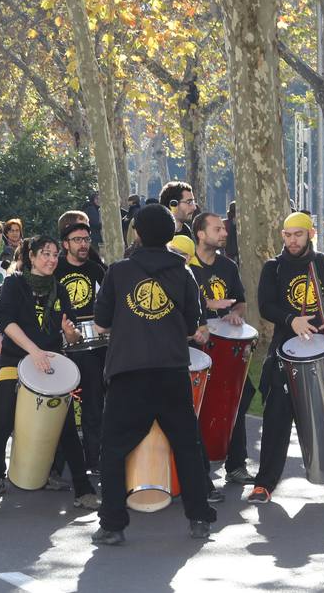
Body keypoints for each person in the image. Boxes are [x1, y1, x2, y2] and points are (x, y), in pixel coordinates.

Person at [87, 205, 214, 544]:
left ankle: (113, 525)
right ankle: (199, 518)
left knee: (113, 449)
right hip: (171, 370)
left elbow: (101, 322)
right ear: (171, 234)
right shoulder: (183, 272)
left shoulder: (119, 271)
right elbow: (191, 326)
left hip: (129, 371)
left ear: (138, 234)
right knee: (186, 446)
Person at [0, 235, 99, 516]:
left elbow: (73, 333)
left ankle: (84, 489)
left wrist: (69, 333)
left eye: (55, 255)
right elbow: (8, 324)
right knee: (1, 427)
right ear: (31, 256)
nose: (52, 259)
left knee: (65, 429)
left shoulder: (60, 289)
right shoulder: (14, 283)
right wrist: (33, 351)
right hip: (15, 362)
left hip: (50, 364)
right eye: (45, 254)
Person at [249, 212, 324, 504]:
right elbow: (265, 306)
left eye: (298, 235)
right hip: (283, 350)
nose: (292, 241)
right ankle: (264, 483)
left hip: (323, 350)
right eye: (287, 235)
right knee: (276, 416)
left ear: (311, 234)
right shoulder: (273, 268)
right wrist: (291, 320)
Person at [189, 212, 255, 484]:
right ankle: (198, 470)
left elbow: (240, 302)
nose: (224, 233)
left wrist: (236, 314)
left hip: (226, 348)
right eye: (217, 229)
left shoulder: (228, 267)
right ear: (201, 234)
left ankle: (236, 464)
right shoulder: (186, 266)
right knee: (196, 406)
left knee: (241, 393)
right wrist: (207, 307)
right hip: (195, 346)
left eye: (224, 229)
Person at [53, 214, 107, 473]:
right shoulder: (55, 269)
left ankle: (94, 460)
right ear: (66, 244)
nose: (83, 244)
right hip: (59, 346)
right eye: (77, 240)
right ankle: (56, 465)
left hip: (93, 348)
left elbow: (110, 304)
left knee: (94, 403)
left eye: (86, 239)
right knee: (59, 406)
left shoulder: (97, 270)